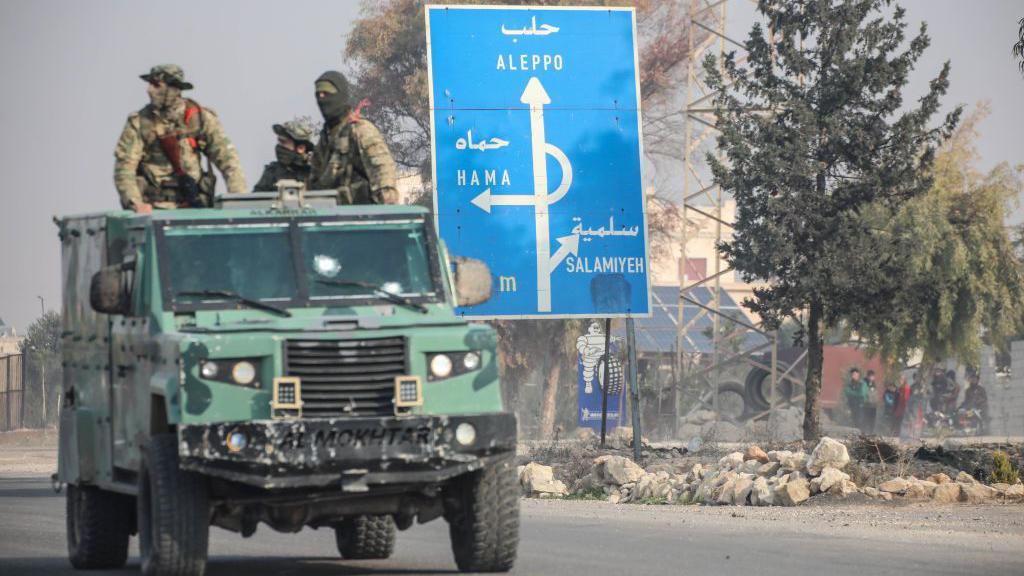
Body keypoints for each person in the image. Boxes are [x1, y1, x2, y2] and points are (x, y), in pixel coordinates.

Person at [114, 64, 247, 212]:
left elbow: (228, 159)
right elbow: (124, 168)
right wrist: (135, 203)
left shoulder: (200, 118)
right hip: (156, 211)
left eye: (156, 85)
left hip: (196, 207)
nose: (149, 90)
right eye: (150, 85)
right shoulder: (140, 122)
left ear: (174, 88)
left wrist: (238, 200)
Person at [309, 70, 399, 204]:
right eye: (318, 95)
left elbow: (384, 173)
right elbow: (314, 181)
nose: (322, 99)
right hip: (331, 218)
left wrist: (388, 213)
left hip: (362, 219)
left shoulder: (360, 130)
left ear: (340, 95)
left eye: (327, 93)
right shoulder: (325, 138)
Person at [253, 121, 315, 191]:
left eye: (283, 142)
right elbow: (256, 199)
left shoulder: (313, 173)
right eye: (279, 141)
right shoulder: (272, 171)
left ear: (300, 148)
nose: (279, 146)